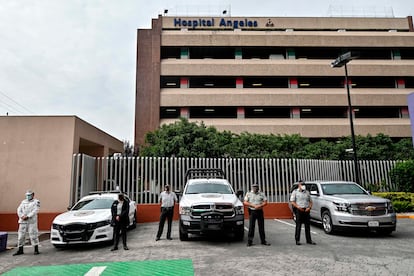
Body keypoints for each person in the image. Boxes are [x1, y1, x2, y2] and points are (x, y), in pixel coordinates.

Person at [13, 190, 40, 256]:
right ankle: (20, 249)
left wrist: (28, 216)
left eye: (29, 195)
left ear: (33, 195)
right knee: (21, 236)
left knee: (33, 235)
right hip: (23, 221)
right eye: (27, 195)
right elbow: (19, 210)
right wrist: (22, 216)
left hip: (31, 221)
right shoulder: (23, 202)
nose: (28, 196)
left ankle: (36, 249)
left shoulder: (36, 202)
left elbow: (35, 210)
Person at [290, 180, 316, 245]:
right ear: (299, 185)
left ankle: (309, 240)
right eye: (302, 184)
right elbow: (292, 202)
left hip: (306, 210)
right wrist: (298, 207)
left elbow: (310, 201)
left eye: (304, 184)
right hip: (299, 210)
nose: (303, 186)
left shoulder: (307, 192)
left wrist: (309, 208)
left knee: (307, 226)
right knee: (298, 225)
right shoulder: (295, 192)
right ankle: (297, 240)